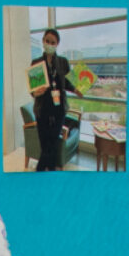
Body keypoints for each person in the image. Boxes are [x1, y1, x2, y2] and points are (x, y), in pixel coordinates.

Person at [30, 28, 77, 172]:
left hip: (59, 110)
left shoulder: (63, 62)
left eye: (53, 42)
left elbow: (68, 82)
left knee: (52, 144)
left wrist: (77, 89)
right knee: (45, 145)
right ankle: (50, 172)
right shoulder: (36, 62)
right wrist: (35, 93)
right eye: (47, 41)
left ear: (57, 44)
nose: (49, 44)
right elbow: (33, 89)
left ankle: (40, 172)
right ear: (43, 41)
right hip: (42, 110)